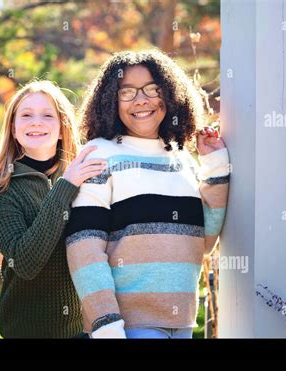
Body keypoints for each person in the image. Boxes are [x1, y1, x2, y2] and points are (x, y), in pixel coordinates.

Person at [65, 50, 230, 339]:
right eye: (127, 92)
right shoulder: (99, 154)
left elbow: (203, 242)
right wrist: (106, 324)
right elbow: (83, 246)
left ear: (168, 94)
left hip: (182, 323)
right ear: (110, 101)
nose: (141, 100)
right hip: (127, 326)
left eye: (152, 89)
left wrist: (215, 166)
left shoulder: (181, 159)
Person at [0, 80, 106, 338]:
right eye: (26, 115)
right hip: (29, 332)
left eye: (47, 115)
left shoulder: (87, 178)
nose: (36, 122)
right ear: (13, 129)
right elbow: (25, 263)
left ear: (61, 129)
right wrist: (65, 187)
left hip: (87, 329)